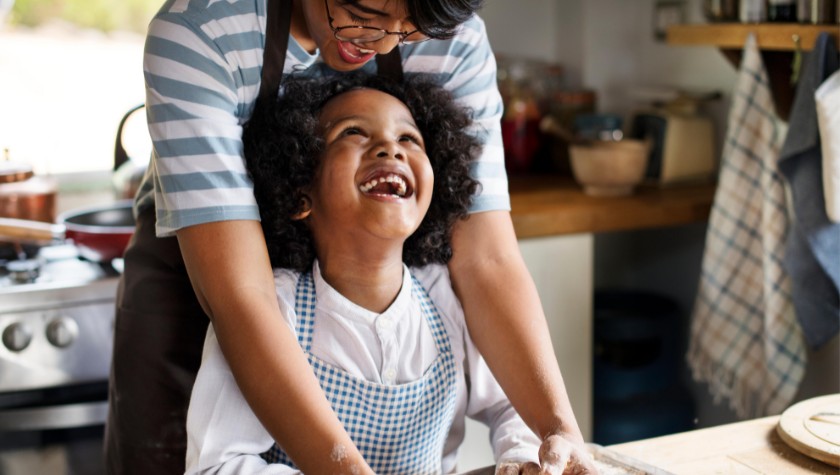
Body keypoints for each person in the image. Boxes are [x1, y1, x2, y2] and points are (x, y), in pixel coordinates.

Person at [105, 1, 589, 474]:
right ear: (300, 195)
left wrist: (558, 432)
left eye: (409, 28)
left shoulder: (438, 301)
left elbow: (487, 261)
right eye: (366, 14)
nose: (382, 42)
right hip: (204, 288)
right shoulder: (202, 29)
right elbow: (242, 298)